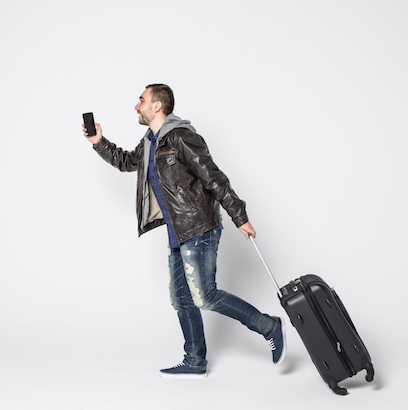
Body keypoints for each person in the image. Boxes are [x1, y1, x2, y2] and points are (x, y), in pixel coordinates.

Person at [83, 84, 285, 378]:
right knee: (181, 297)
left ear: (157, 106)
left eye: (141, 100)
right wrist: (99, 141)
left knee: (205, 295)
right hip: (178, 232)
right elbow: (128, 162)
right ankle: (194, 359)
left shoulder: (181, 136)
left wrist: (239, 215)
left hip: (199, 228)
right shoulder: (151, 141)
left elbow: (213, 176)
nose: (136, 106)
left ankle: (269, 326)